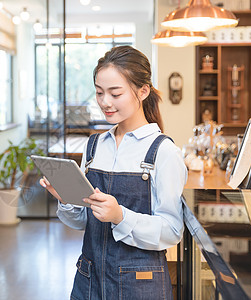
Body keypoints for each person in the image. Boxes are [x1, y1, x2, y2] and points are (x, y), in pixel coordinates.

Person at [40, 45, 187, 300]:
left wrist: (120, 216)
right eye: (99, 93)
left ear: (143, 91)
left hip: (140, 286)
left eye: (115, 93)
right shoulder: (94, 146)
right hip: (88, 281)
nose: (105, 102)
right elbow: (83, 223)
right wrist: (65, 197)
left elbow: (172, 231)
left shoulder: (164, 152)